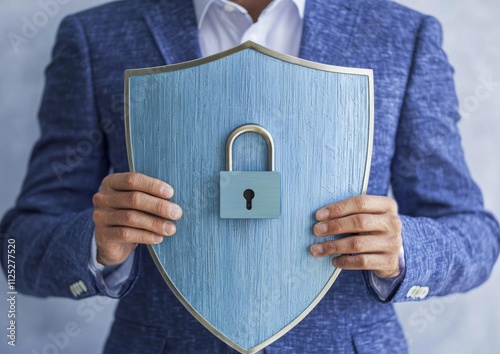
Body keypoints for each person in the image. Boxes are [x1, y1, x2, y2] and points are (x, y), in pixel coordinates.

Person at [1, 0, 499, 352]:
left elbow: (476, 236)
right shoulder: (96, 37)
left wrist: (403, 247)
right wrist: (95, 242)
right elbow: (16, 248)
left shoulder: (401, 35)